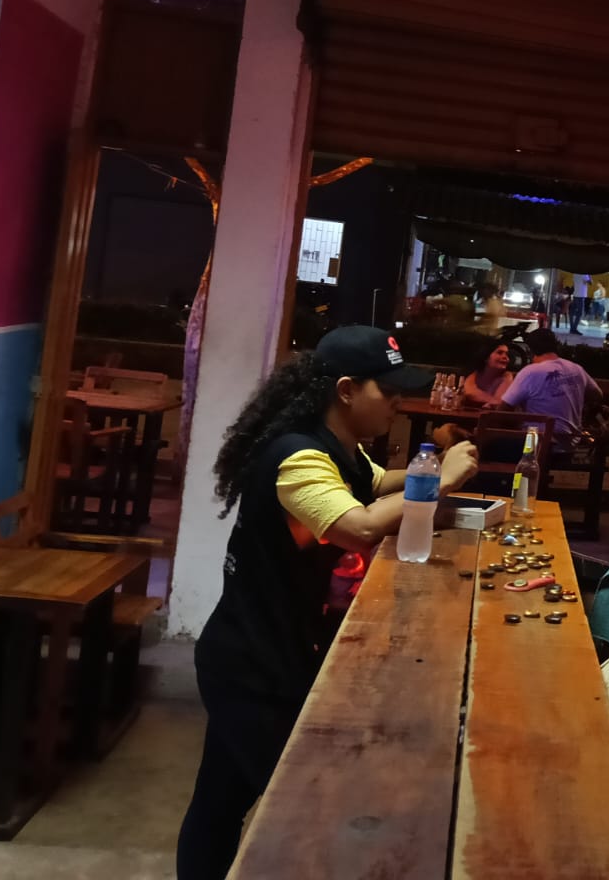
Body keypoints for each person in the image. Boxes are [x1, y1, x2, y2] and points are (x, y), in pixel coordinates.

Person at [176, 326, 478, 879]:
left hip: (265, 649)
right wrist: (442, 480)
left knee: (220, 799)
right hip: (253, 664)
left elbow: (377, 484)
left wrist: (428, 469)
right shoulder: (298, 457)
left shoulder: (342, 450)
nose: (397, 402)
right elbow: (357, 526)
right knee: (303, 805)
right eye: (387, 391)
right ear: (345, 389)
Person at [502, 327, 601, 441]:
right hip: (571, 443)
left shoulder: (530, 372)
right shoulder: (576, 369)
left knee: (493, 445)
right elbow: (597, 395)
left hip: (535, 442)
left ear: (530, 350)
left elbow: (503, 409)